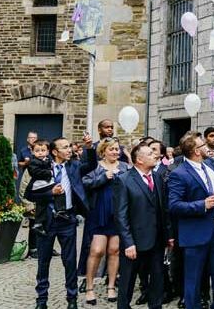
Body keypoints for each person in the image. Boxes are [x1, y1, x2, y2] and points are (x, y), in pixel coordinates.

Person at [28, 137, 97, 309]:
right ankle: (41, 300)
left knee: (70, 261)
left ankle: (72, 299)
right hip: (46, 221)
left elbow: (91, 166)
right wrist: (50, 192)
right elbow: (30, 194)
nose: (69, 150)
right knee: (43, 261)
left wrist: (89, 148)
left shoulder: (73, 166)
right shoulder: (43, 167)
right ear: (54, 152)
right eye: (65, 147)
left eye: (69, 147)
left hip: (68, 220)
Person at [168, 133, 214, 309]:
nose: (207, 147)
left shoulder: (211, 165)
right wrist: (201, 205)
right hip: (195, 231)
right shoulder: (179, 173)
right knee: (194, 278)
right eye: (203, 144)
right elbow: (174, 205)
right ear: (196, 151)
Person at [114, 143, 172, 309]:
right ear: (139, 160)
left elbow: (163, 209)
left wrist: (168, 235)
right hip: (134, 242)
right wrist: (128, 243)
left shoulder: (158, 178)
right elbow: (120, 215)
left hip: (157, 241)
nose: (156, 155)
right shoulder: (124, 180)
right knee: (127, 283)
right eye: (150, 153)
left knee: (157, 280)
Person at [82, 138, 130, 304]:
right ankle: (89, 287)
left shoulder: (124, 167)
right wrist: (104, 177)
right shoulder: (95, 166)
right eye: (112, 149)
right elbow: (85, 183)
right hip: (99, 212)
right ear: (103, 151)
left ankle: (111, 286)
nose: (116, 152)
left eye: (117, 149)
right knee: (97, 250)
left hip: (118, 213)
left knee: (115, 250)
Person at [17, 131, 40, 202]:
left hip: (39, 175)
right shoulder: (23, 150)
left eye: (35, 138)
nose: (33, 139)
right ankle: (29, 210)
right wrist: (25, 163)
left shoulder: (41, 150)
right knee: (24, 193)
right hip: (27, 175)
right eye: (31, 137)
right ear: (27, 139)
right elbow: (18, 163)